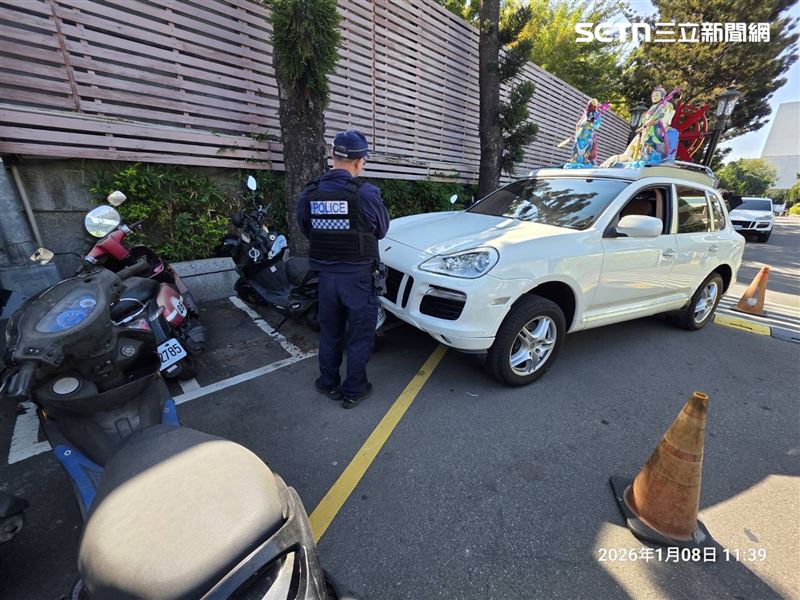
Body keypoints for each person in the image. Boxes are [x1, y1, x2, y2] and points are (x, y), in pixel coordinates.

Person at [296, 130, 390, 409]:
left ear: (333, 157)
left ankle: (328, 383)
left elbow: (306, 229)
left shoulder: (310, 192)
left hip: (325, 279)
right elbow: (382, 230)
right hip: (358, 279)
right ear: (360, 162)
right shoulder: (366, 193)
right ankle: (354, 390)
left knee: (330, 333)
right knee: (359, 337)